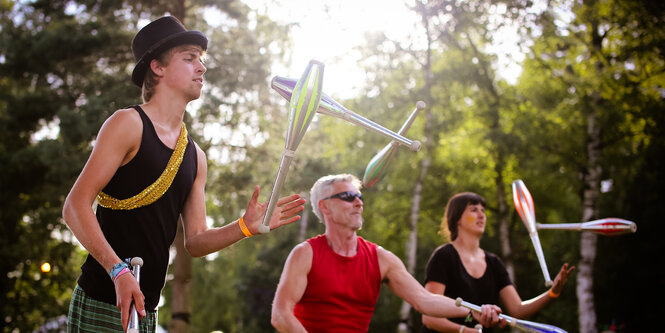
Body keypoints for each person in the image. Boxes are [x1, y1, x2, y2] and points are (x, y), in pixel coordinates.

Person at [62, 16, 305, 333]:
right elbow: (75, 206)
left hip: (148, 311)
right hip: (102, 300)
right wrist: (118, 271)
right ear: (157, 68)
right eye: (190, 58)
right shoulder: (128, 124)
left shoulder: (195, 156)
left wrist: (244, 227)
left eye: (201, 60)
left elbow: (196, 241)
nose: (201, 68)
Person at [271, 174, 503, 333]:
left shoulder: (381, 259)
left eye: (359, 197)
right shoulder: (305, 254)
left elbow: (426, 300)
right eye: (348, 197)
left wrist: (475, 311)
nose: (358, 203)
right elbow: (280, 315)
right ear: (325, 206)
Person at [421, 192, 575, 333]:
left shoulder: (493, 262)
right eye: (474, 210)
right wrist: (464, 331)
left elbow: (517, 309)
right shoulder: (443, 256)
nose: (481, 215)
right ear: (457, 218)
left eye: (483, 210)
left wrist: (552, 293)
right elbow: (429, 317)